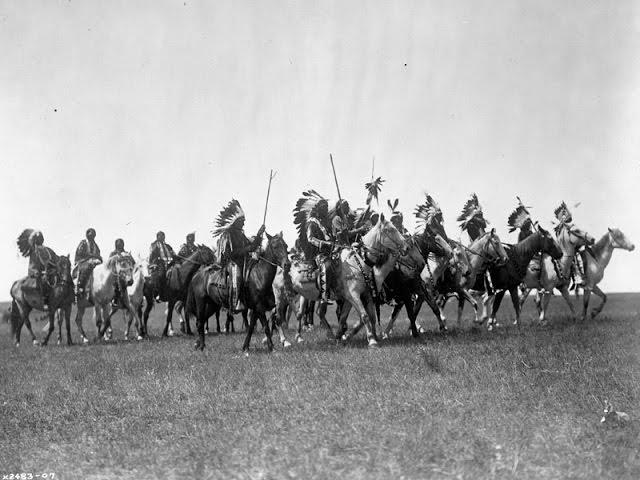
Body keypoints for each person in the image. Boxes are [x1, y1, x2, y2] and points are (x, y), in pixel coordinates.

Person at [213, 200, 265, 312]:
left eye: (244, 221)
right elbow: (229, 254)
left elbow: (252, 246)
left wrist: (259, 234)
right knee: (238, 277)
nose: (244, 223)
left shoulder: (241, 234)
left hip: (244, 261)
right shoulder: (228, 235)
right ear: (236, 222)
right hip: (233, 263)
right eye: (242, 221)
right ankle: (235, 303)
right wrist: (247, 250)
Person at [17, 229, 55, 301]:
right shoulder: (34, 253)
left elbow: (51, 261)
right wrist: (37, 272)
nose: (40, 242)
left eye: (41, 239)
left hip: (47, 272)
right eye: (38, 240)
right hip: (37, 274)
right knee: (44, 282)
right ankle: (45, 300)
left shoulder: (47, 250)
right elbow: (32, 266)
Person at [74, 228, 103, 298]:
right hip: (82, 261)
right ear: (87, 235)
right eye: (90, 235)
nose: (92, 237)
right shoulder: (83, 243)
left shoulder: (95, 245)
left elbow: (98, 253)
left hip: (93, 261)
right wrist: (91, 256)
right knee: (88, 266)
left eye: (93, 236)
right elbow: (80, 252)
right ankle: (80, 286)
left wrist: (99, 258)